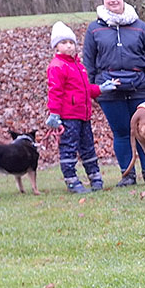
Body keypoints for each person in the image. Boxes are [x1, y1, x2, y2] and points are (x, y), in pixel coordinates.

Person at [83, 0, 145, 186]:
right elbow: (88, 63)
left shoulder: (140, 27)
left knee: (144, 133)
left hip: (141, 88)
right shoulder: (94, 30)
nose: (112, 0)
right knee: (121, 133)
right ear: (103, 2)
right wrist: (91, 91)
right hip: (110, 90)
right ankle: (127, 174)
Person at [46, 22, 117, 193]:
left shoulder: (79, 66)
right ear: (56, 46)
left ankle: (95, 177)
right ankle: (71, 181)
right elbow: (54, 91)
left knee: (88, 147)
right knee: (69, 148)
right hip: (68, 116)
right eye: (64, 43)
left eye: (71, 42)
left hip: (84, 115)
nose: (69, 46)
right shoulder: (57, 66)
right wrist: (54, 114)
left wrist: (100, 88)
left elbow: (85, 90)